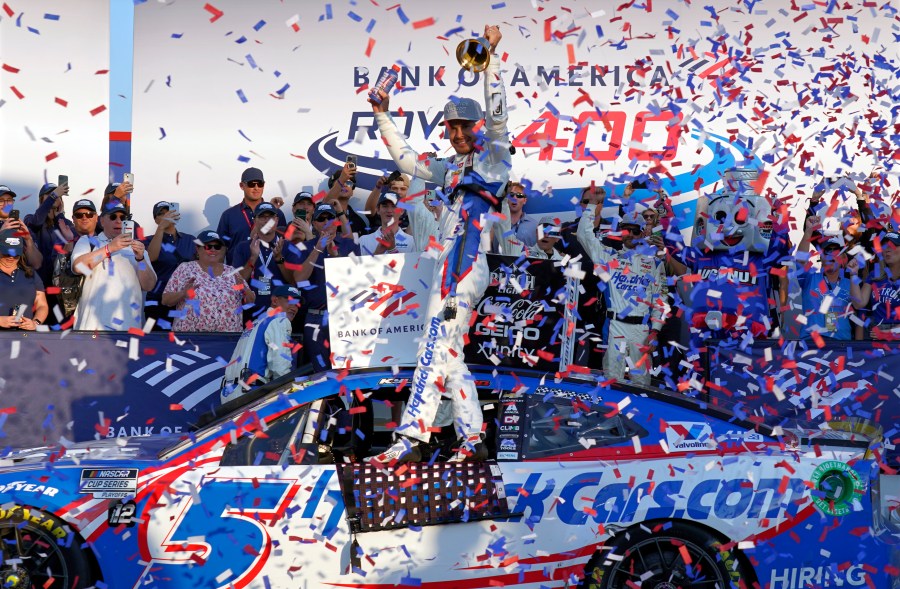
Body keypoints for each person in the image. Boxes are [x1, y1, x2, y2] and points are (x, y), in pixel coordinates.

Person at [367, 24, 508, 465]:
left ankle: (411, 437)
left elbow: (500, 115)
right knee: (449, 353)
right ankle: (471, 438)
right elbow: (406, 159)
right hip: (449, 264)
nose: (458, 133)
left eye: (465, 125)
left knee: (432, 345)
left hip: (465, 266)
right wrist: (382, 115)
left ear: (478, 125)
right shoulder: (448, 168)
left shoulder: (495, 155)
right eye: (452, 127)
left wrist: (490, 59)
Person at [578, 206, 669, 385]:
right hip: (615, 326)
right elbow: (584, 236)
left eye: (635, 231)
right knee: (612, 379)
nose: (630, 234)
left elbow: (661, 299)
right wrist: (590, 208)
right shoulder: (609, 257)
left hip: (641, 330)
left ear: (642, 233)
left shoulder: (655, 263)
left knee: (642, 383)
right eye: (626, 230)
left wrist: (655, 331)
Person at [285, 203, 359, 371]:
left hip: (344, 316)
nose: (326, 222)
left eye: (330, 218)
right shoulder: (304, 248)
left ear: (336, 221)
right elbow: (299, 279)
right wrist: (317, 249)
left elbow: (356, 278)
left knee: (347, 372)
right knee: (321, 373)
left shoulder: (349, 245)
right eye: (321, 219)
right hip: (315, 318)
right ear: (315, 224)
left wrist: (335, 255)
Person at [70, 200, 157, 331]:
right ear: (102, 221)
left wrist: (140, 259)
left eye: (123, 217)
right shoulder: (88, 241)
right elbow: (78, 268)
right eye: (113, 217)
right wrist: (108, 249)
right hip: (92, 326)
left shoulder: (138, 249)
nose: (118, 221)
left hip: (128, 327)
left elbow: (149, 285)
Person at [220, 284, 302, 402]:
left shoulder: (254, 323)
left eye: (297, 303)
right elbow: (280, 365)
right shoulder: (279, 319)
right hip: (250, 393)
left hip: (227, 394)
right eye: (290, 300)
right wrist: (290, 389)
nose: (294, 307)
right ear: (275, 300)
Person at [161, 230, 254, 332]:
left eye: (217, 247)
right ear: (197, 248)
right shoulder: (185, 269)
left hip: (228, 339)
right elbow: (165, 300)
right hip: (191, 339)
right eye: (208, 246)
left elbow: (250, 301)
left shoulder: (231, 271)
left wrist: (245, 290)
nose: (213, 250)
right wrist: (183, 293)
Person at [795, 217, 857, 341]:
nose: (831, 254)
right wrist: (809, 231)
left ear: (843, 258)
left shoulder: (850, 283)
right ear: (821, 257)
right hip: (812, 342)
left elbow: (860, 312)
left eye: (836, 251)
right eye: (827, 251)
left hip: (842, 344)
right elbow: (801, 260)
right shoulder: (810, 279)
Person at [216, 167, 287, 264]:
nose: (256, 188)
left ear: (264, 185)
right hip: (237, 271)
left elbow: (282, 241)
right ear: (242, 186)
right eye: (251, 184)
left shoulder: (277, 213)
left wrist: (272, 209)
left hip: (269, 270)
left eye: (260, 184)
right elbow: (220, 248)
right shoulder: (229, 215)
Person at [143, 201, 197, 329]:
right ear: (156, 220)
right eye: (161, 214)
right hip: (157, 302)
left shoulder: (190, 240)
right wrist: (161, 228)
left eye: (169, 212)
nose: (166, 216)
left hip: (185, 301)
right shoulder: (147, 241)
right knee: (157, 343)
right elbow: (151, 257)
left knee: (184, 343)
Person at [233, 202, 289, 320]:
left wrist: (280, 260)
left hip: (280, 312)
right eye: (262, 217)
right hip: (251, 313)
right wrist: (252, 258)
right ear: (255, 220)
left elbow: (294, 282)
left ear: (277, 220)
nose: (266, 221)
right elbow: (237, 283)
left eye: (270, 217)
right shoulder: (243, 247)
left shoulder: (288, 246)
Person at [51, 199, 99, 323]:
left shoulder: (104, 240)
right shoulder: (62, 240)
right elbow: (57, 277)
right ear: (73, 218)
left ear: (96, 217)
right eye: (79, 215)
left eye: (89, 214)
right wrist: (69, 243)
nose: (84, 218)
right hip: (69, 308)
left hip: (97, 306)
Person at [851, 231, 900, 340]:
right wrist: (853, 274)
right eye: (885, 246)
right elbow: (859, 303)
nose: (887, 249)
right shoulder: (875, 274)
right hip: (876, 334)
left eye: (893, 245)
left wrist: (888, 334)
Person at [0, 229, 48, 330]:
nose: (11, 257)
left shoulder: (30, 274)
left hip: (24, 338)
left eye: (15, 254)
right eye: (6, 253)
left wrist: (35, 323)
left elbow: (42, 305)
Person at [0, 184, 43, 270]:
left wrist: (28, 240)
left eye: (9, 200)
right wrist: (1, 233)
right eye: (1, 201)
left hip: (21, 278)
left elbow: (37, 264)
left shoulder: (21, 227)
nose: (6, 204)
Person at [326, 166, 370, 235]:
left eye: (349, 183)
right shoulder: (321, 213)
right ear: (332, 188)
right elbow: (325, 205)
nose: (345, 185)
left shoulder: (359, 221)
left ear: (352, 192)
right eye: (342, 182)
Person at [507, 182, 538, 246]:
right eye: (511, 195)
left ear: (524, 201)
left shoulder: (535, 226)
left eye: (519, 195)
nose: (515, 198)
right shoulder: (496, 223)